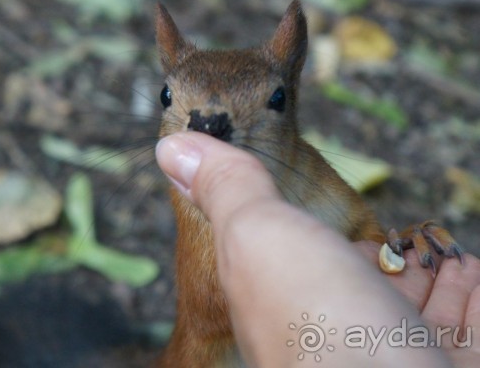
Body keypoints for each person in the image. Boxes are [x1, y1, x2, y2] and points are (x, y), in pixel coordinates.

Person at [156, 131, 480, 367]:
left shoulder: (313, 173)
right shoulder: (194, 206)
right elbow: (209, 314)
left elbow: (371, 245)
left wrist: (402, 248)